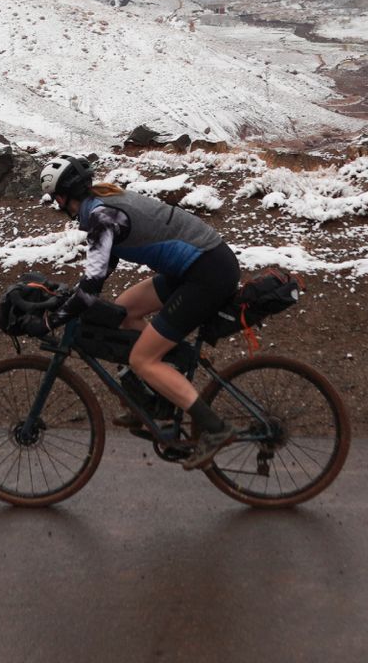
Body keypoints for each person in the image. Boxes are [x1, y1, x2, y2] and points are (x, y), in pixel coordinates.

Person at [40, 152, 241, 469]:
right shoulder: (101, 204)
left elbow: (91, 289)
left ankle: (215, 428)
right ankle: (161, 393)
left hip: (207, 273)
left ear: (63, 196)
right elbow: (104, 266)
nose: (57, 204)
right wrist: (76, 296)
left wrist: (53, 319)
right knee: (122, 312)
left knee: (142, 359)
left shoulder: (102, 216)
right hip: (195, 268)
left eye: (56, 198)